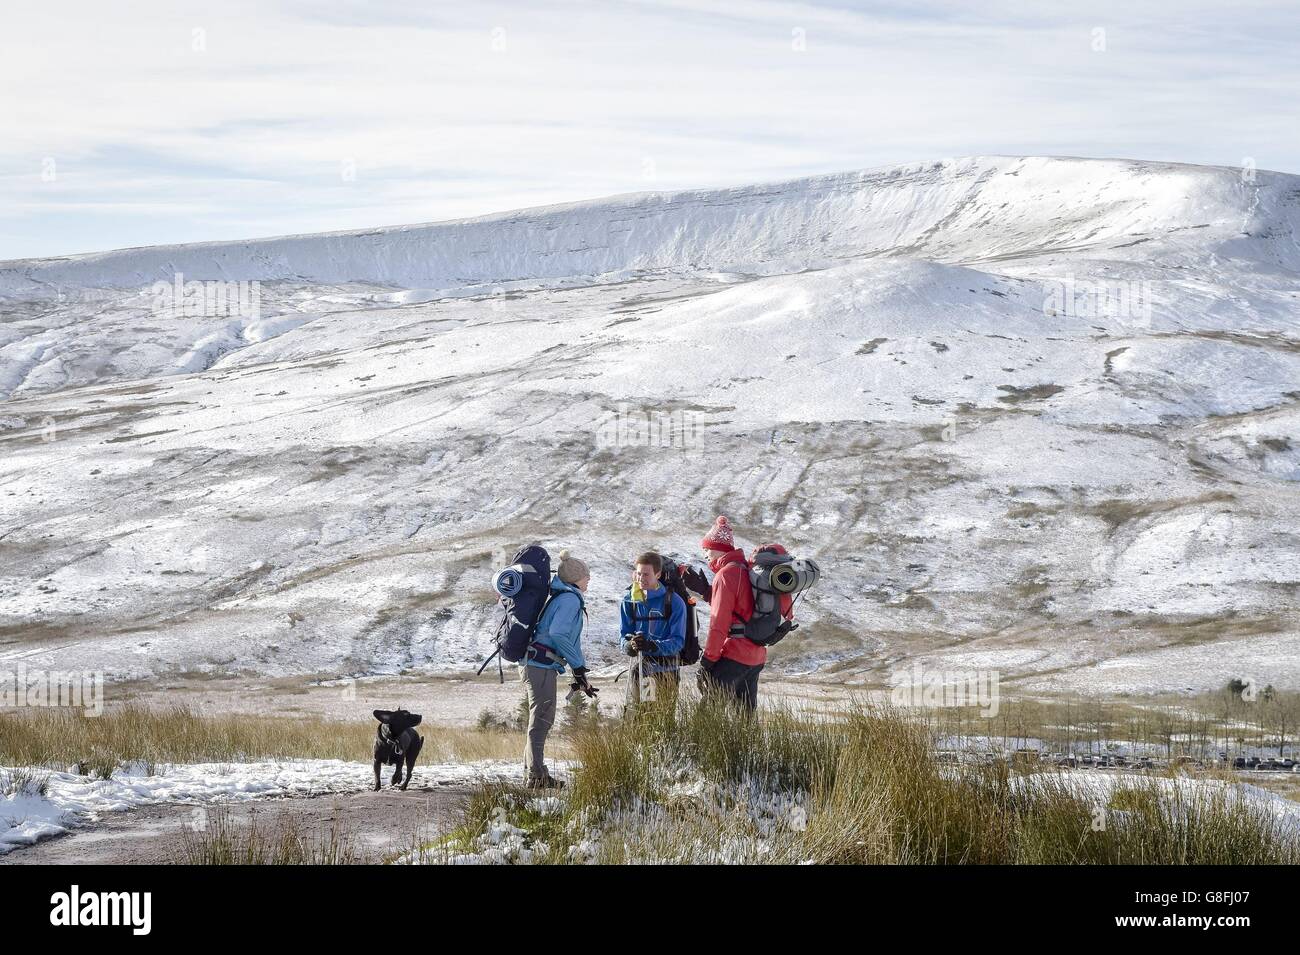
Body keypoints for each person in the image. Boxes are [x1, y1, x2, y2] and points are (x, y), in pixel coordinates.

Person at [522, 550, 594, 788]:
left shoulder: (565, 596)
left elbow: (570, 640)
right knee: (541, 720)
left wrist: (580, 671)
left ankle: (536, 773)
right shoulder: (570, 600)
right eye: (586, 576)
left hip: (538, 663)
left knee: (539, 718)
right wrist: (577, 665)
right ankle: (536, 776)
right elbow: (559, 634)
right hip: (540, 665)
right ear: (575, 578)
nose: (589, 580)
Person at [697, 515, 768, 712]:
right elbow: (742, 609)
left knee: (706, 720)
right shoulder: (746, 569)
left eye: (707, 548)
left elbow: (718, 623)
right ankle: (747, 745)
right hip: (756, 656)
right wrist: (708, 593)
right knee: (744, 723)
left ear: (719, 547)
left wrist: (708, 660)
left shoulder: (726, 574)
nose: (706, 554)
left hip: (734, 656)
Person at [619, 551, 687, 712]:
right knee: (644, 717)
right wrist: (629, 646)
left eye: (646, 574)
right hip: (643, 671)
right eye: (638, 573)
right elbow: (623, 635)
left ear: (658, 574)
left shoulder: (675, 603)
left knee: (662, 720)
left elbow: (678, 641)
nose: (641, 578)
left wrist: (652, 646)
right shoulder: (629, 601)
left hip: (667, 673)